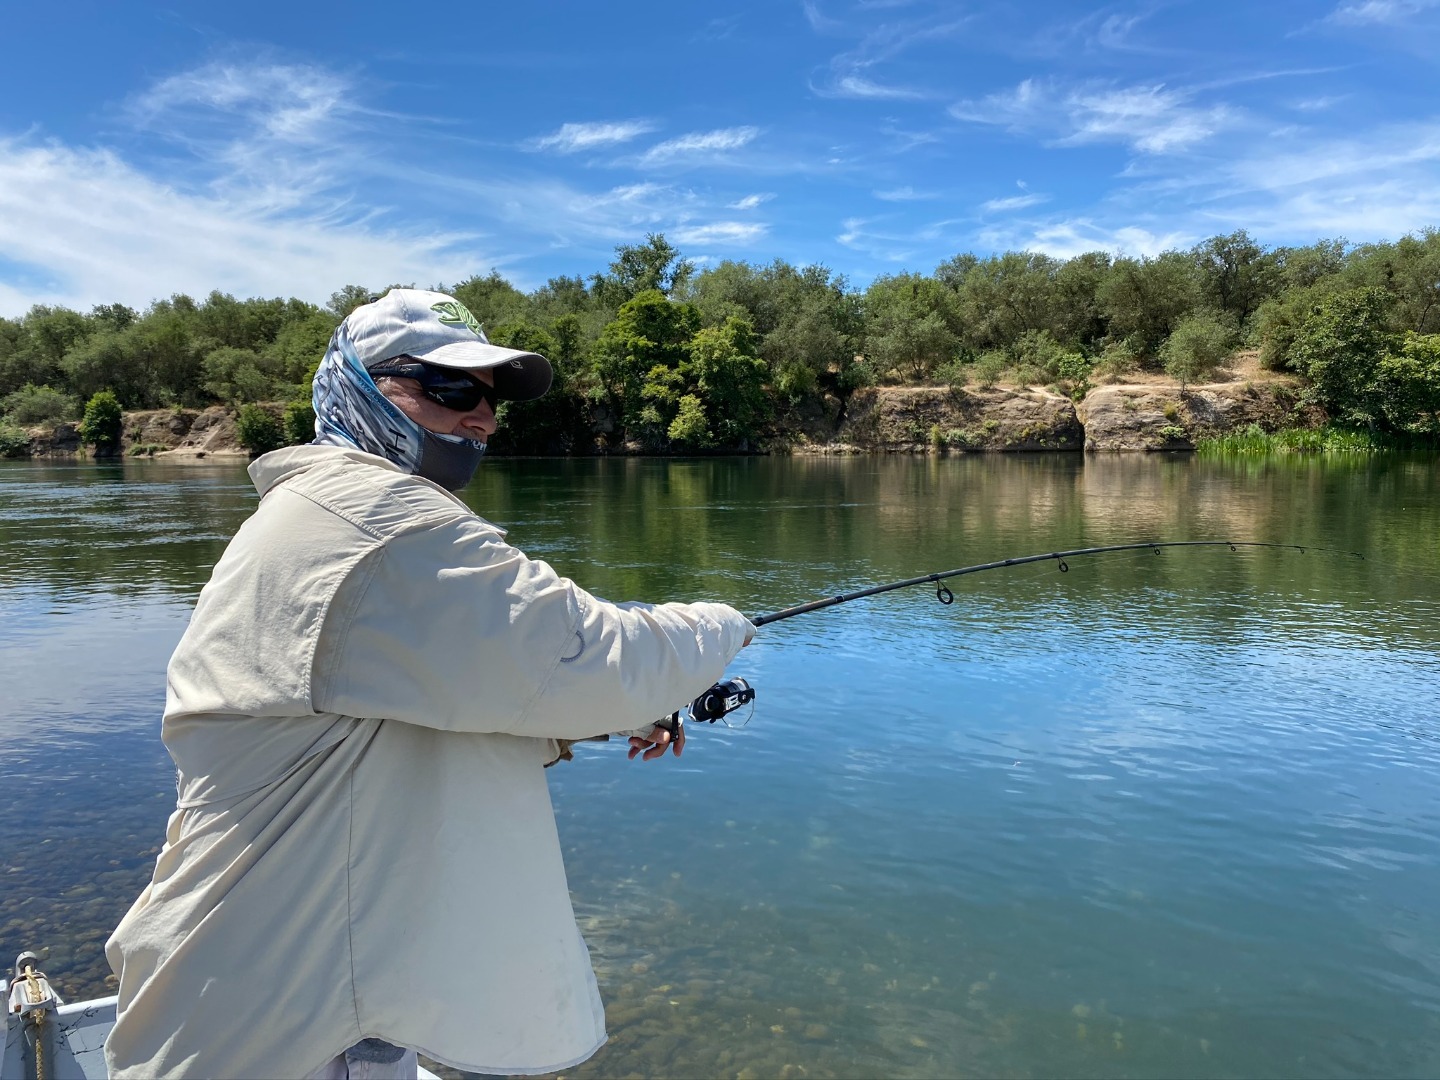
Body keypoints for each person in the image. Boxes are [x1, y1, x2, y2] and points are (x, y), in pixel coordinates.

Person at [103, 289, 755, 1079]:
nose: (480, 416)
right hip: (282, 1026)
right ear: (357, 385)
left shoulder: (321, 511)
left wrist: (595, 716)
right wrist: (723, 624)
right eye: (450, 390)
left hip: (298, 996)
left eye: (489, 398)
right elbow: (595, 658)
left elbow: (415, 699)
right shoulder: (378, 516)